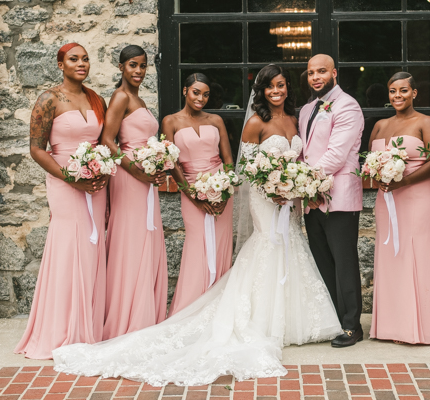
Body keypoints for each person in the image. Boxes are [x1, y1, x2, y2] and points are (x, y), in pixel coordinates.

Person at [52, 64, 342, 385]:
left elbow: (237, 163)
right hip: (243, 194)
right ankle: (208, 308)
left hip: (281, 197)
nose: (277, 91)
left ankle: (290, 320)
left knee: (288, 246)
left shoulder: (291, 119)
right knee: (263, 244)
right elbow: (191, 159)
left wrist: (290, 185)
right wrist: (194, 189)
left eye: (282, 85)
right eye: (271, 86)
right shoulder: (199, 121)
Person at [15, 43, 108, 359]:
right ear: (60, 64)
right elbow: (37, 148)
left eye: (85, 58)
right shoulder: (48, 100)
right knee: (69, 245)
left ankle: (89, 327)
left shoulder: (96, 99)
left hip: (95, 181)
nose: (81, 63)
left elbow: (105, 143)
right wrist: (70, 176)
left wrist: (102, 172)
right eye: (74, 59)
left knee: (93, 247)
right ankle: (61, 329)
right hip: (64, 180)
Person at [368, 72, 430, 345]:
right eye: (392, 91)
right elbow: (370, 162)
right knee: (390, 254)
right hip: (387, 198)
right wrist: (378, 177)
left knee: (418, 252)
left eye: (403, 90)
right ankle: (391, 326)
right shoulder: (379, 126)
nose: (397, 96)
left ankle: (423, 327)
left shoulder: (426, 122)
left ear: (414, 93)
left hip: (419, 195)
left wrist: (406, 180)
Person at [100, 45, 168, 340]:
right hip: (129, 178)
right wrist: (136, 169)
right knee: (131, 239)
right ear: (121, 67)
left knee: (146, 237)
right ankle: (127, 317)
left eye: (143, 66)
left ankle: (144, 314)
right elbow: (107, 139)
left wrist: (158, 161)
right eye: (133, 65)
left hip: (146, 178)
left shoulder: (139, 99)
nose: (139, 71)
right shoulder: (121, 97)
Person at [299, 54, 365, 348]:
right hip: (311, 199)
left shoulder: (348, 105)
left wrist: (308, 182)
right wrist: (301, 185)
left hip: (338, 197)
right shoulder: (306, 109)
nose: (315, 77)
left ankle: (352, 326)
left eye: (321, 71)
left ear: (334, 73)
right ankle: (334, 320)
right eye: (311, 72)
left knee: (344, 261)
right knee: (323, 260)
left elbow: (337, 155)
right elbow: (304, 152)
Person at [162, 73, 234, 316]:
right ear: (185, 91)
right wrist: (193, 195)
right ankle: (191, 308)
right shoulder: (170, 121)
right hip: (190, 188)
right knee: (197, 244)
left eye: (205, 94)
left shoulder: (216, 120)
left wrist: (225, 192)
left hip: (221, 188)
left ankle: (218, 306)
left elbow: (228, 159)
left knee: (222, 243)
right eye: (196, 92)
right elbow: (172, 164)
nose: (200, 98)